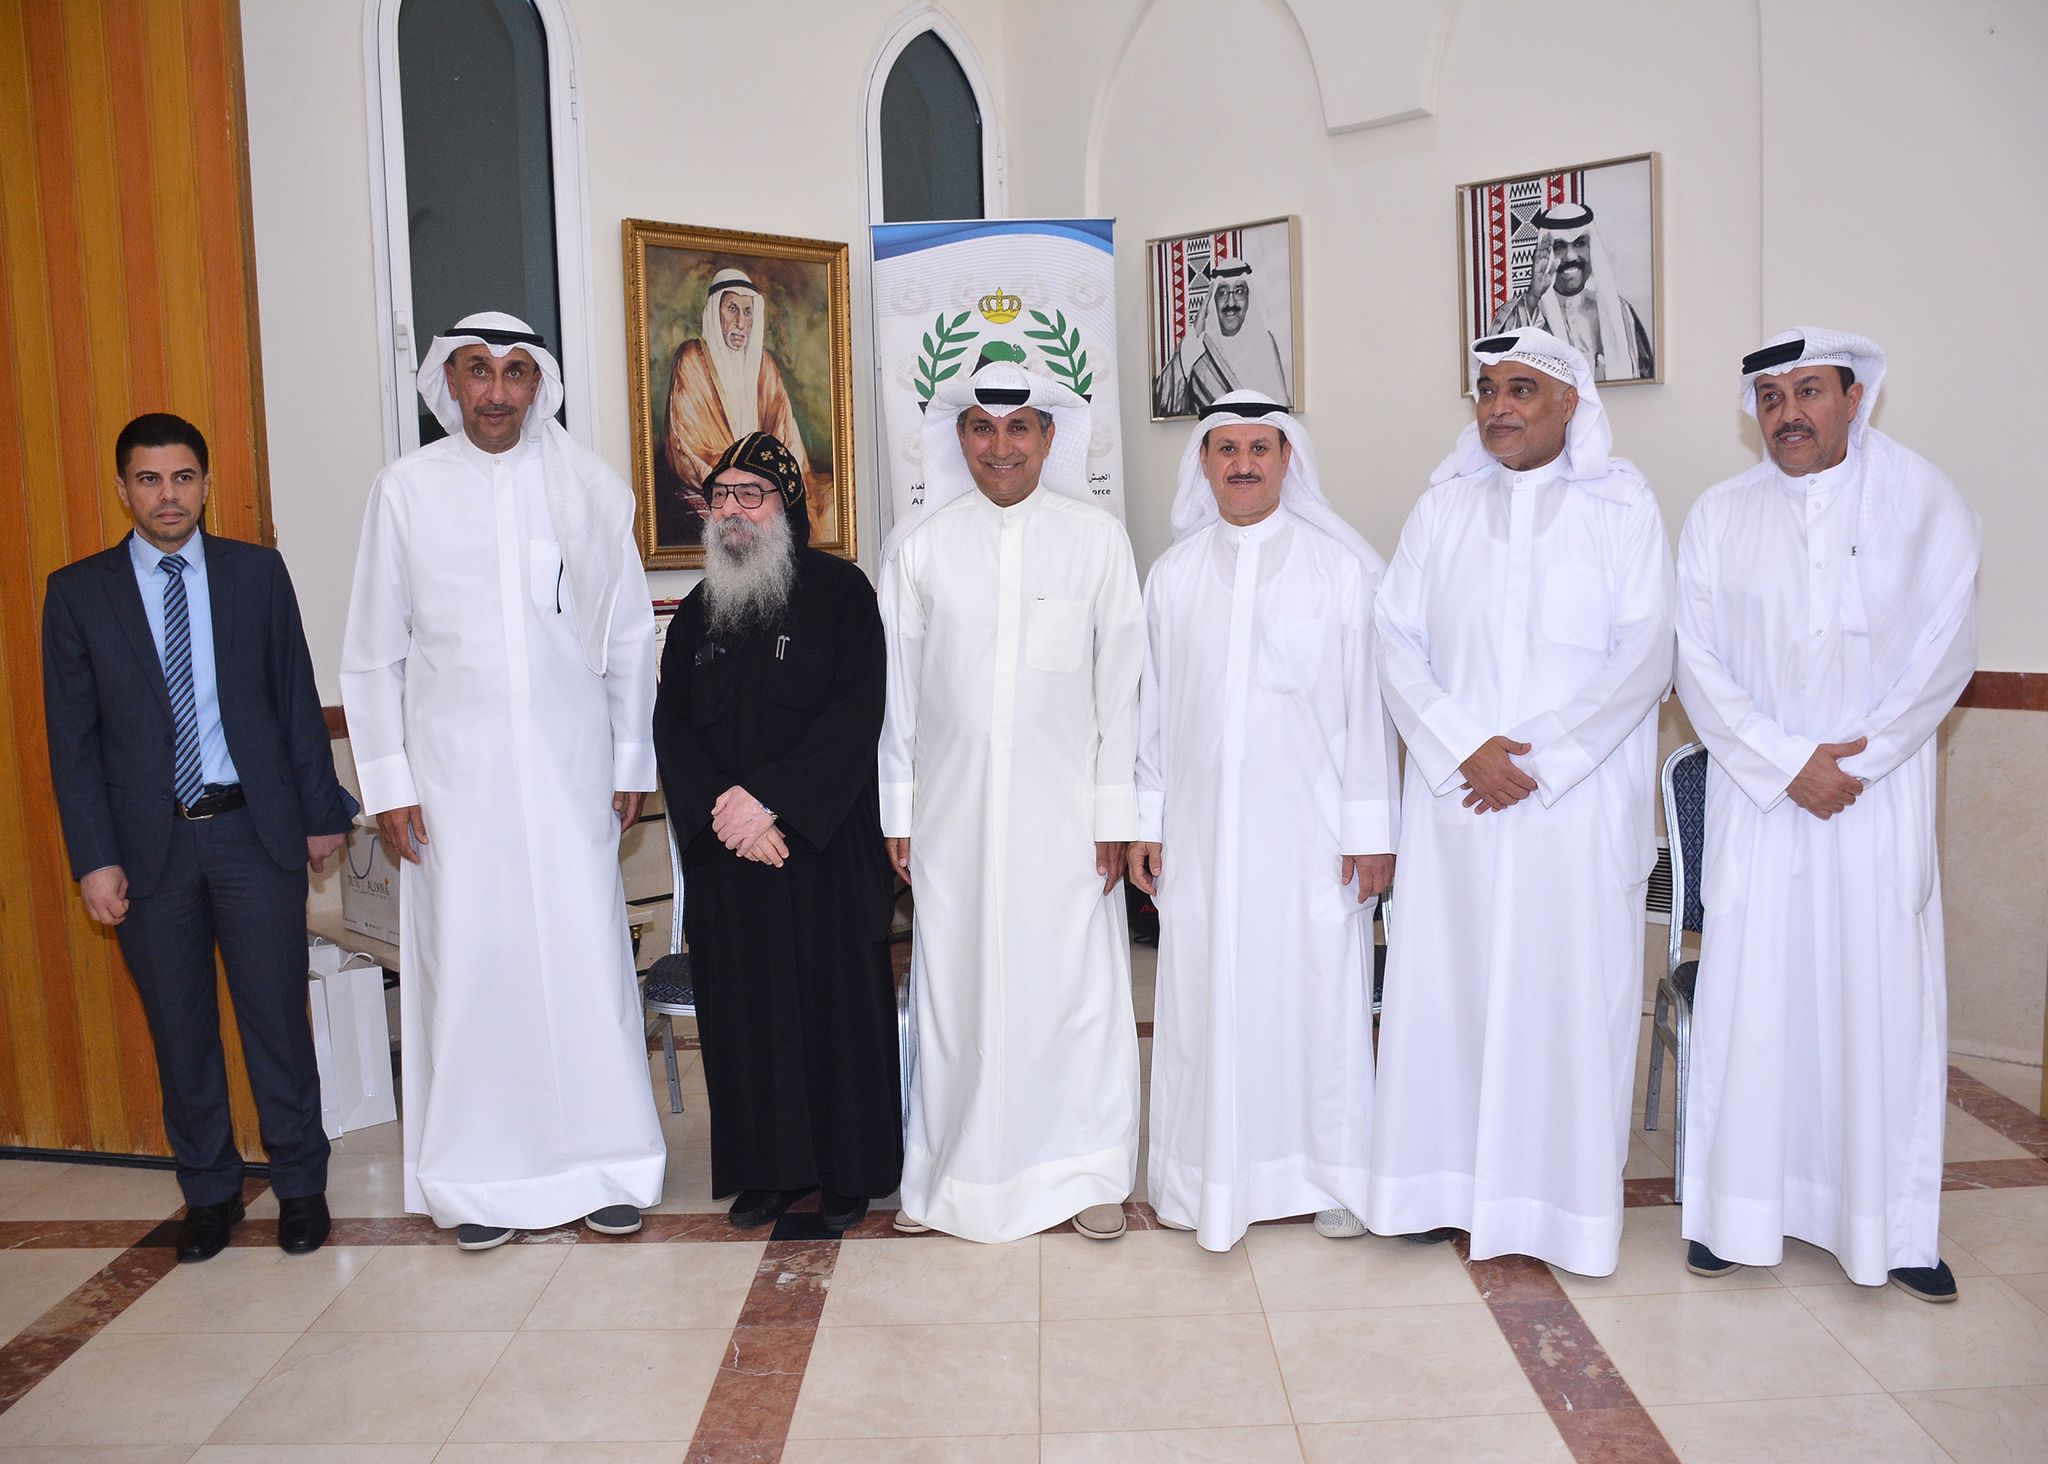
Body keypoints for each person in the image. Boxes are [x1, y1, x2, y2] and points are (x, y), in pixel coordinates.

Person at [340, 312, 664, 1251]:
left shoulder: (589, 490)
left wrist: (629, 760)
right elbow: (373, 653)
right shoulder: (406, 491)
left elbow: (629, 637)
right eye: (477, 371)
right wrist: (389, 783)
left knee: (584, 963)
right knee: (472, 967)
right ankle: (475, 1181)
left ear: (538, 386)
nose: (496, 391)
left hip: (571, 777)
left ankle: (610, 1168)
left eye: (515, 372)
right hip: (454, 788)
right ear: (449, 382)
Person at [1674, 329, 1979, 1302]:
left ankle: (1892, 1231)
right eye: (1770, 398)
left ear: (1854, 396)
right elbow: (1695, 663)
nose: (1788, 414)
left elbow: (1946, 651)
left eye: (1808, 391)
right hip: (1761, 800)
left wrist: (1859, 761)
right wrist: (1784, 763)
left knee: (1879, 1006)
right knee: (1752, 1007)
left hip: (1873, 801)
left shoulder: (1924, 502)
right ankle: (1732, 1217)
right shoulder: (1718, 515)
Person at [1369, 329, 1674, 1277]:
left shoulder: (1624, 508)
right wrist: (1465, 746)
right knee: (1447, 991)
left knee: (1564, 1001)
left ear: (1570, 404)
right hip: (1460, 800)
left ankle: (1558, 1211)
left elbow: (1646, 653)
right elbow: (1394, 640)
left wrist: (1539, 760)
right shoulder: (1441, 510)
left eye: (1522, 390)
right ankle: (1434, 1189)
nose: (1499, 407)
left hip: (1570, 811)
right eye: (1488, 390)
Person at [43, 412, 354, 1262]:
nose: (168, 495)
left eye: (182, 478)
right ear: (123, 489)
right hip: (150, 849)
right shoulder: (78, 594)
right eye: (149, 480)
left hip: (253, 834)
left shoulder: (256, 575)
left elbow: (295, 698)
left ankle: (300, 1185)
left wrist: (320, 813)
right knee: (180, 1030)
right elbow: (72, 744)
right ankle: (210, 1193)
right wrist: (94, 860)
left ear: (206, 484)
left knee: (276, 1020)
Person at [879, 360, 1144, 1244]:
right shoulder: (920, 546)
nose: (1001, 447)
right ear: (960, 438)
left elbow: (1123, 693)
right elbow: (898, 699)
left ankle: (1085, 1171)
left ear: (1048, 437)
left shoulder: (1097, 540)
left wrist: (1115, 817)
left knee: (1072, 996)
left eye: (1019, 427)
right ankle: (949, 1176)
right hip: (950, 822)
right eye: (983, 429)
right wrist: (900, 814)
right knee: (957, 996)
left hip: (1068, 826)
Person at [1130, 391, 1397, 1251]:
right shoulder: (1173, 576)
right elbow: (1150, 715)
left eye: (1259, 449)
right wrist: (1146, 821)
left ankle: (1331, 1178)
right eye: (1226, 450)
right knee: (1205, 1001)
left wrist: (1372, 832)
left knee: (1317, 997)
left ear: (1288, 460)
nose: (1242, 465)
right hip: (1201, 838)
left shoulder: (1340, 571)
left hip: (1312, 838)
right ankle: (1202, 1180)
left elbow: (1368, 715)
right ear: (1204, 464)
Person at [652, 431, 901, 1233]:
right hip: (732, 858)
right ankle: (766, 1173)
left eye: (750, 494)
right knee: (745, 1019)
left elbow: (856, 715)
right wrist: (726, 814)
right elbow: (672, 728)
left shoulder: (842, 594)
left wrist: (773, 804)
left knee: (834, 1015)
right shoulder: (698, 611)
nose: (732, 509)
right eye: (720, 495)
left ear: (787, 507)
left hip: (819, 850)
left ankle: (846, 1176)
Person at [662, 268, 821, 543]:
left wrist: (774, 487)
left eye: (748, 312)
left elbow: (786, 435)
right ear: (715, 312)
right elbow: (687, 443)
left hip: (764, 493)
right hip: (713, 484)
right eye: (732, 309)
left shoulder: (765, 365)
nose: (740, 321)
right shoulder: (692, 359)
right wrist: (741, 487)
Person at [1488, 203, 1654, 382]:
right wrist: (1534, 296)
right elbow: (1496, 369)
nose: (1570, 257)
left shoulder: (1620, 313)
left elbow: (1644, 378)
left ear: (1592, 249)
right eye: (1559, 246)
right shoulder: (1525, 309)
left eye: (1579, 243)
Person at [1153, 259, 1291, 415]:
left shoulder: (1265, 343)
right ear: (1213, 300)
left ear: (1249, 297)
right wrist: (1195, 336)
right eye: (1223, 293)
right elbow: (1163, 403)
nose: (1230, 303)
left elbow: (1280, 413)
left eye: (1239, 291)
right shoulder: (1199, 351)